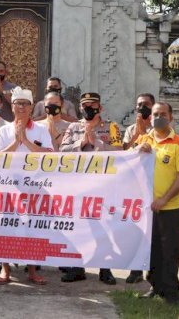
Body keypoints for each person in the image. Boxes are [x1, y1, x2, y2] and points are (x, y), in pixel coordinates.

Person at [59, 92, 122, 285]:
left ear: (100, 108)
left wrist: (98, 144)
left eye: (92, 105)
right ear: (80, 108)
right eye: (85, 105)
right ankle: (77, 268)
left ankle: (105, 269)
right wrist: (82, 143)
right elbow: (62, 151)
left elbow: (120, 152)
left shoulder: (110, 127)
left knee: (104, 226)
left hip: (103, 184)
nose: (88, 109)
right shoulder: (73, 127)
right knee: (79, 226)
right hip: (79, 184)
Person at [131, 102, 179, 304]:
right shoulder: (143, 140)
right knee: (152, 250)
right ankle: (155, 286)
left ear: (171, 117)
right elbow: (127, 164)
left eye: (163, 114)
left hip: (170, 208)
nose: (158, 117)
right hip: (146, 209)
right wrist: (137, 150)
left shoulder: (178, 143)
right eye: (155, 114)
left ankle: (172, 291)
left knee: (171, 251)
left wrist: (164, 199)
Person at [0, 87, 53, 285]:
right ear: (12, 106)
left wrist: (25, 141)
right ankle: (5, 269)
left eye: (25, 104)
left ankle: (32, 270)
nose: (21, 107)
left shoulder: (41, 130)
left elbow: (49, 155)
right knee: (4, 225)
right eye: (18, 103)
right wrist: (15, 142)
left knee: (33, 226)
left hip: (34, 186)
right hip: (8, 186)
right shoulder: (4, 130)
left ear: (32, 107)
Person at [121, 93, 155, 284]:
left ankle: (152, 271)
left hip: (154, 185)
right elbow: (125, 153)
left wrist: (146, 133)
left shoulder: (160, 127)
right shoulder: (131, 129)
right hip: (135, 185)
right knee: (136, 230)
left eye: (146, 105)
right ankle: (135, 270)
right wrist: (138, 133)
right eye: (139, 105)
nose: (142, 108)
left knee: (152, 231)